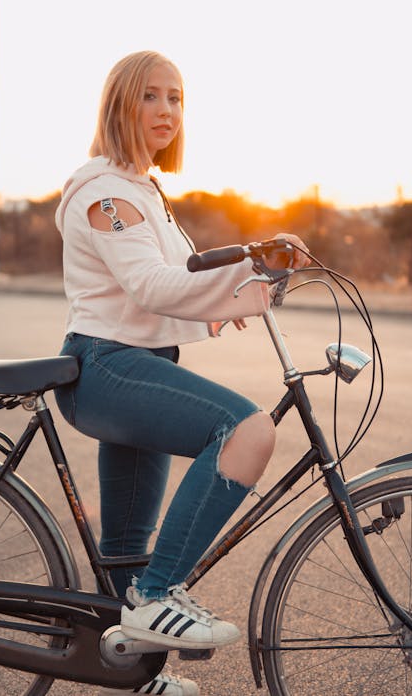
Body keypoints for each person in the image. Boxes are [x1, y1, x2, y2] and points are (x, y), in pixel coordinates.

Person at [54, 50, 310, 696]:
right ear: (120, 105)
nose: (166, 110)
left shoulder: (142, 189)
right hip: (107, 367)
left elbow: (186, 278)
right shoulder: (105, 191)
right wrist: (246, 287)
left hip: (138, 366)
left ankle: (134, 672)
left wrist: (257, 272)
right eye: (150, 97)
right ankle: (161, 594)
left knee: (128, 548)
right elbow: (151, 285)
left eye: (175, 98)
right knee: (246, 430)